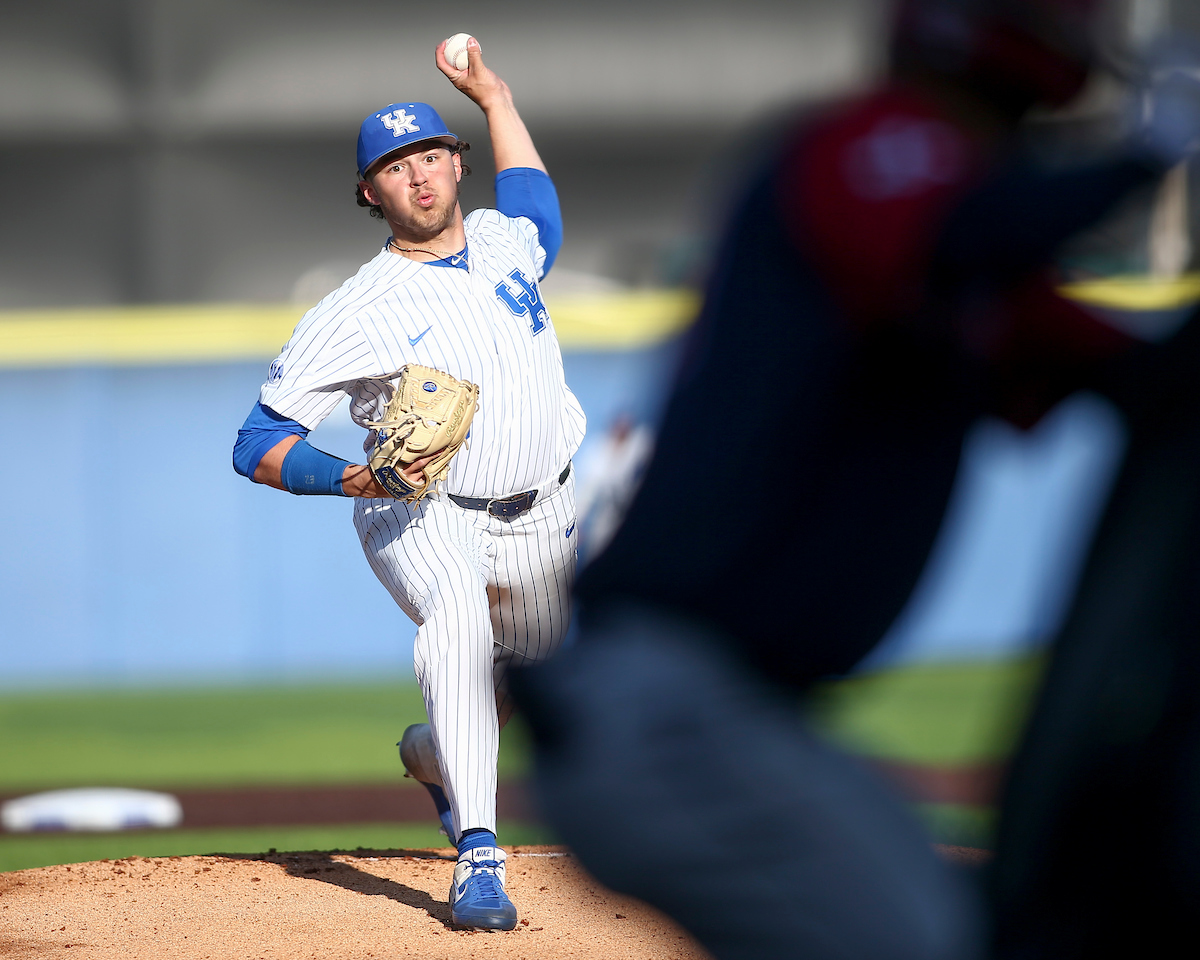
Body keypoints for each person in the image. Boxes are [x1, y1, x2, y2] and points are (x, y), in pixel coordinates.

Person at [511, 2, 1200, 958]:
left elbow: (1130, 373)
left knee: (969, 929)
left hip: (722, 721)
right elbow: (965, 231)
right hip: (673, 713)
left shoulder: (955, 239)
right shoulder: (868, 145)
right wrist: (1145, 154)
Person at [231, 36, 584, 931]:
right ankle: (478, 858)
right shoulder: (352, 312)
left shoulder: (509, 242)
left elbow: (538, 205)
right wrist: (355, 476)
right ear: (369, 192)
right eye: (395, 167)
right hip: (421, 513)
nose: (419, 177)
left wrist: (495, 97)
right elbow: (257, 441)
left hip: (545, 512)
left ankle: (435, 754)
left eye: (431, 154)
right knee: (458, 625)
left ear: (456, 163)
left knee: (536, 695)